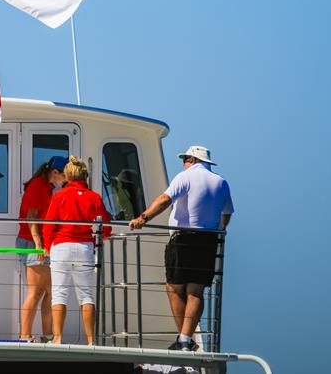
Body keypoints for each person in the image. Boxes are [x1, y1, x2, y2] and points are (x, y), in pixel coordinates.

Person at [129, 145, 233, 352]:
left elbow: (165, 200)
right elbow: (227, 213)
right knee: (196, 291)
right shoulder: (221, 183)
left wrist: (143, 218)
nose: (184, 163)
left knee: (174, 287)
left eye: (185, 159)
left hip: (183, 239)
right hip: (208, 240)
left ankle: (183, 339)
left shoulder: (185, 177)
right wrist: (219, 229)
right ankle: (185, 338)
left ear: (192, 160)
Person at [43, 156, 111, 345]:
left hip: (61, 247)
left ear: (69, 176)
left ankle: (57, 338)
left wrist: (47, 247)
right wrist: (102, 236)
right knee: (86, 295)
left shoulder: (60, 196)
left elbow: (48, 225)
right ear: (85, 177)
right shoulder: (94, 197)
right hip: (84, 248)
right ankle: (91, 340)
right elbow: (106, 227)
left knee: (59, 294)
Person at [15, 155, 67, 342]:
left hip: (42, 244)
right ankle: (24, 336)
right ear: (55, 172)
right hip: (32, 243)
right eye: (65, 175)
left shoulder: (48, 187)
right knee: (36, 291)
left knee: (50, 291)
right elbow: (31, 216)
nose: (66, 180)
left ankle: (47, 335)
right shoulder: (38, 185)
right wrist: (38, 244)